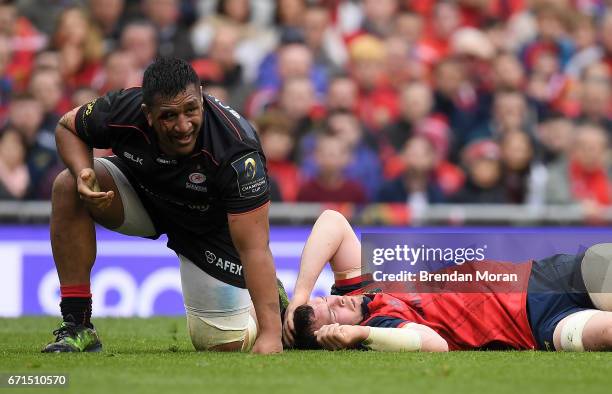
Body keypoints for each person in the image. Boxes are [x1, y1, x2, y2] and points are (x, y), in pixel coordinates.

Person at [42, 57, 282, 354]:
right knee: (66, 185)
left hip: (208, 230)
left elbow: (255, 248)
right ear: (148, 113)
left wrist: (272, 335)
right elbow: (68, 127)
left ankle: (275, 308)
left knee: (222, 344)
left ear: (202, 98)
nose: (183, 126)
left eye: (191, 110)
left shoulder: (237, 150)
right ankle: (77, 325)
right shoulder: (124, 108)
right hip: (144, 196)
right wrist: (83, 172)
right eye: (169, 116)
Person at [283, 210, 612, 352]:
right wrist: (360, 333)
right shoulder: (380, 326)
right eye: (332, 313)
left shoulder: (358, 291)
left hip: (546, 276)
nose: (336, 300)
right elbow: (435, 345)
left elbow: (332, 221)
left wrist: (299, 296)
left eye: (325, 297)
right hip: (541, 327)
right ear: (334, 337)